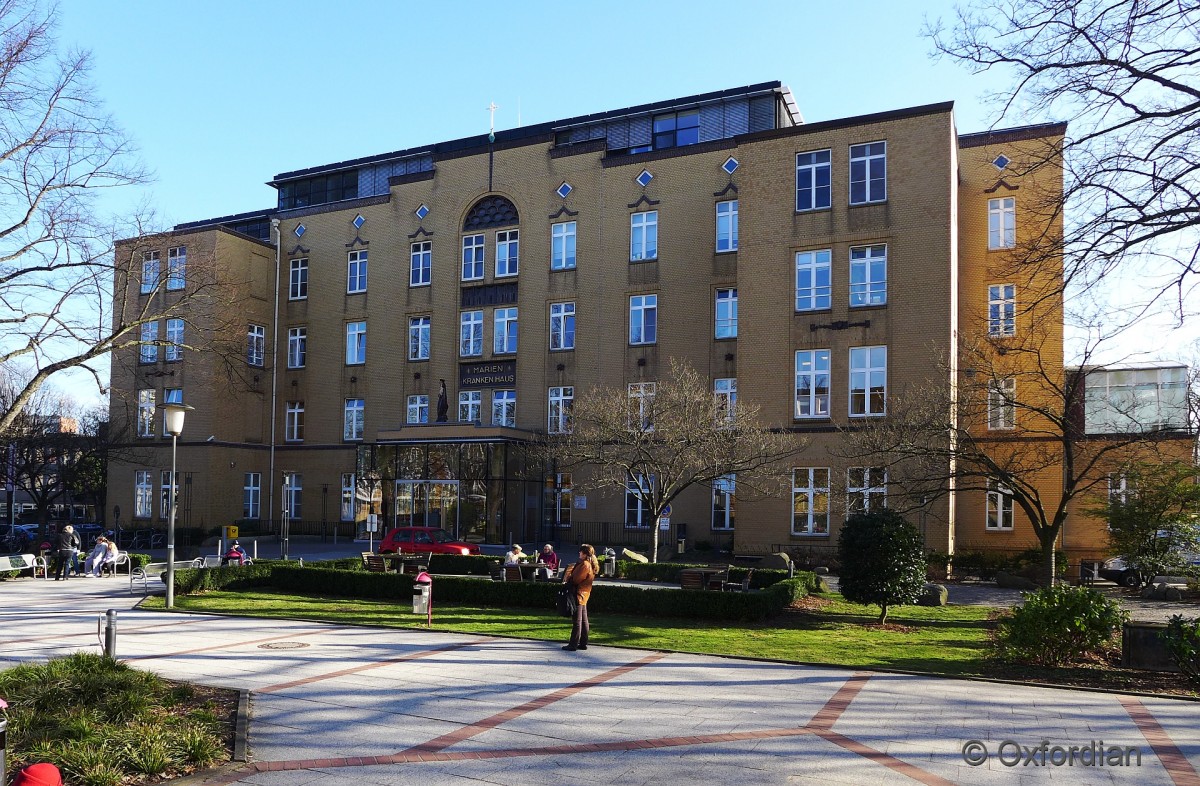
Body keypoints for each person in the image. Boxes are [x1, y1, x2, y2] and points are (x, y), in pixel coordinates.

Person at [562, 543, 598, 651]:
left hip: (578, 593)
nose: (579, 553)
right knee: (583, 620)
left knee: (577, 621)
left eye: (581, 551)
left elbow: (576, 579)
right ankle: (583, 642)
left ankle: (573, 644)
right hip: (584, 594)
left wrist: (569, 576)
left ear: (585, 554)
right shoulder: (590, 564)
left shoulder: (585, 565)